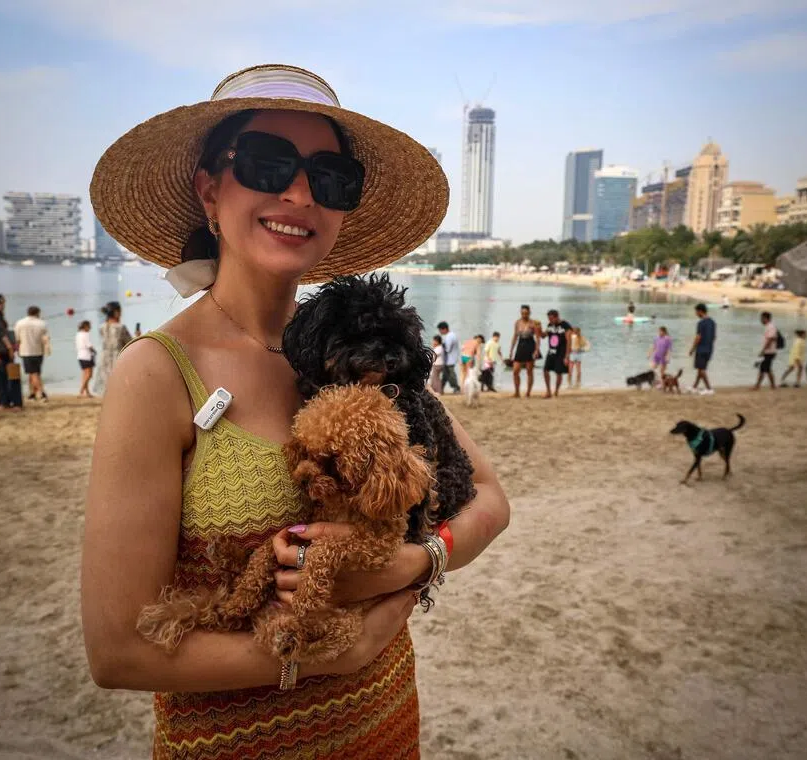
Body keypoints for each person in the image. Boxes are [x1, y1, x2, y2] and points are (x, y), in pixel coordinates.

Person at [80, 63, 510, 759]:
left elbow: (490, 499)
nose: (301, 191)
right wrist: (324, 657)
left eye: (330, 176)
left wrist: (417, 561)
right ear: (209, 191)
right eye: (266, 162)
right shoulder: (156, 375)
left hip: (387, 724)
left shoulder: (359, 353)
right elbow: (118, 649)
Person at [0, 294, 22, 410]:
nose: (3, 306)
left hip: (1, 349)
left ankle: (4, 402)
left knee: (4, 376)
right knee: (11, 375)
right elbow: (0, 333)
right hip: (3, 349)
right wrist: (10, 347)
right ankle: (13, 402)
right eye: (2, 303)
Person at [95, 301, 132, 395]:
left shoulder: (101, 327)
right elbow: (130, 343)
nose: (121, 313)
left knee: (106, 387)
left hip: (104, 359)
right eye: (120, 311)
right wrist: (138, 335)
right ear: (116, 312)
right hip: (117, 359)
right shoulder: (121, 327)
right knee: (118, 387)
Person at [15, 305, 50, 403]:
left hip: (26, 351)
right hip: (38, 351)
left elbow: (17, 339)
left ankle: (39, 393)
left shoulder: (20, 323)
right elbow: (46, 338)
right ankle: (35, 394)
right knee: (35, 373)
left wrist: (16, 350)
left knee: (32, 373)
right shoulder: (42, 323)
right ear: (38, 313)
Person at [509, 304, 541, 398]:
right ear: (520, 313)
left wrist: (536, 350)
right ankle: (517, 392)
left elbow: (538, 338)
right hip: (520, 345)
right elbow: (515, 336)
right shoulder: (517, 323)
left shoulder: (533, 323)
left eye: (526, 313)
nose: (524, 315)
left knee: (529, 371)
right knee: (515, 370)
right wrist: (511, 350)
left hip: (530, 345)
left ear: (529, 313)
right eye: (523, 313)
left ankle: (528, 392)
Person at [542, 309, 572, 398]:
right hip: (551, 351)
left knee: (559, 372)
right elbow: (543, 336)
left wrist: (567, 356)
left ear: (557, 317)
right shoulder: (550, 325)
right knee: (545, 370)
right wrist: (538, 329)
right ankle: (548, 391)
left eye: (551, 319)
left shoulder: (565, 325)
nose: (550, 321)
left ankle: (556, 391)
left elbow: (569, 341)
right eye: (549, 319)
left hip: (561, 352)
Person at [688, 303, 716, 394]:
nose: (696, 314)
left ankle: (709, 389)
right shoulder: (712, 322)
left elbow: (698, 337)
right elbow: (714, 337)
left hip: (701, 349)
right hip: (709, 349)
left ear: (700, 311)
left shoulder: (701, 323)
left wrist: (692, 349)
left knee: (702, 369)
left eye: (696, 312)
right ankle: (694, 387)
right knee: (701, 368)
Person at [753, 311, 779, 391]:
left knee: (764, 368)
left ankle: (758, 386)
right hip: (769, 351)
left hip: (769, 352)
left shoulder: (770, 327)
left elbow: (770, 340)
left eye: (762, 318)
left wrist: (763, 351)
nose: (761, 320)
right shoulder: (769, 327)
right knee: (766, 369)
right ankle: (772, 386)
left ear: (766, 318)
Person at [436, 321, 461, 394]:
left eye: (440, 330)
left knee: (451, 375)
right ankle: (441, 389)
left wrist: (441, 345)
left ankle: (456, 388)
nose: (440, 332)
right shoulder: (451, 335)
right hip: (449, 359)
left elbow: (447, 349)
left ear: (444, 329)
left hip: (449, 360)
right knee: (445, 375)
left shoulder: (450, 336)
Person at [75, 320, 96, 398]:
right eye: (89, 326)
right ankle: (81, 390)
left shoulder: (78, 334)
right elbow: (88, 345)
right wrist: (94, 350)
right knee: (89, 375)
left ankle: (87, 392)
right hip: (87, 356)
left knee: (84, 374)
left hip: (80, 356)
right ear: (86, 326)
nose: (90, 328)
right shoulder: (86, 334)